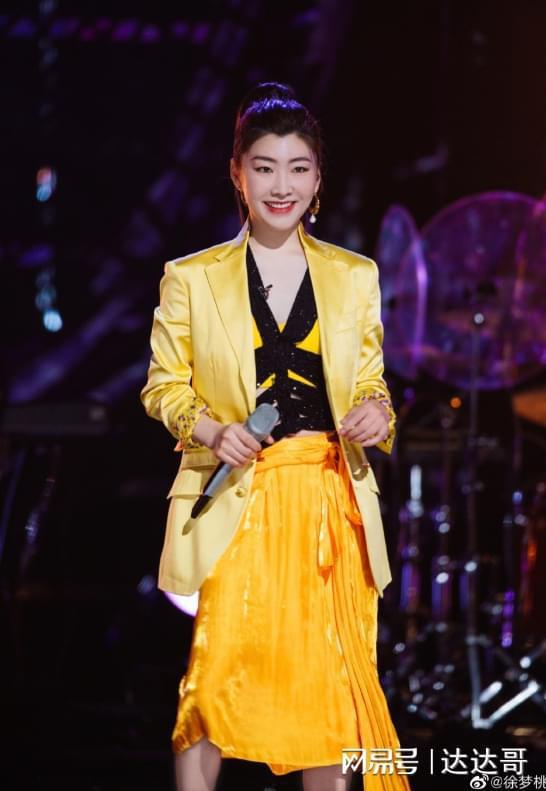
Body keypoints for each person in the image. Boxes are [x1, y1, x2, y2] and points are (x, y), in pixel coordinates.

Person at [141, 82, 410, 791]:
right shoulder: (192, 278)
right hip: (239, 496)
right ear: (237, 173)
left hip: (328, 502)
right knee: (212, 684)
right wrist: (213, 428)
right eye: (264, 167)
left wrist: (377, 414)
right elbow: (163, 386)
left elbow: (373, 383)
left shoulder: (354, 277)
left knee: (329, 691)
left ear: (318, 179)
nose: (280, 185)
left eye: (297, 168)